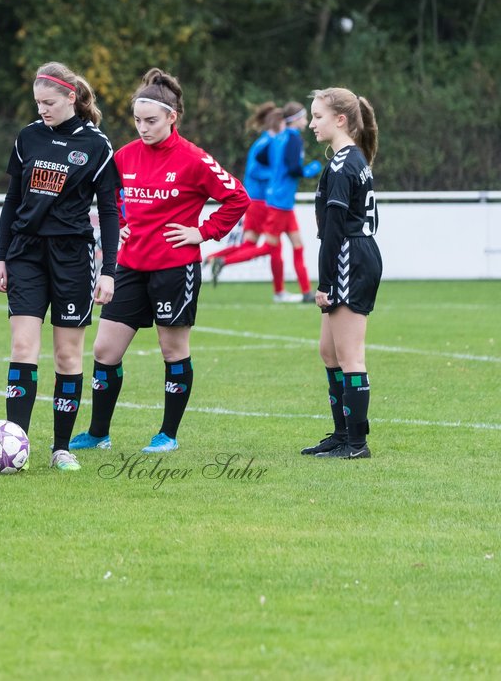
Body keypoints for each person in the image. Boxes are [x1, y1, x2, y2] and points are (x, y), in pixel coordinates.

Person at [70, 68, 248, 453]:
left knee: (172, 350)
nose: (142, 128)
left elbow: (238, 197)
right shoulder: (125, 156)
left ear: (172, 117)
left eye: (151, 121)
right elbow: (111, 198)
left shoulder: (194, 159)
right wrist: (118, 225)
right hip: (129, 267)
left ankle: (167, 434)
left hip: (174, 268)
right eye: (137, 120)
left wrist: (203, 231)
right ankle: (99, 433)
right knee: (105, 351)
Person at [0, 62, 118, 472]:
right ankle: (15, 443)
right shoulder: (28, 137)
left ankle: (61, 447)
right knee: (23, 347)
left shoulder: (97, 145)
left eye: (48, 102)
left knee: (67, 355)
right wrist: (0, 255)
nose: (42, 109)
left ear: (71, 98)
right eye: (37, 103)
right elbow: (12, 201)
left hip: (72, 258)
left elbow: (111, 213)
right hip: (25, 254)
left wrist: (110, 270)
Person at [302, 87, 381, 459]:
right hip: (352, 253)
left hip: (350, 256)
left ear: (341, 120)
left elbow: (334, 230)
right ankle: (341, 433)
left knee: (350, 355)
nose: (311, 123)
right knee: (329, 352)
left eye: (317, 117)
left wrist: (325, 283)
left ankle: (356, 444)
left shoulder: (343, 164)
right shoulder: (350, 159)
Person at [205, 102, 279, 285]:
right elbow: (254, 171)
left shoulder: (264, 141)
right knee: (273, 246)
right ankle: (281, 292)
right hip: (260, 200)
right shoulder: (266, 142)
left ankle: (213, 258)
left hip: (256, 199)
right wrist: (277, 175)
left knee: (250, 245)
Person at [257, 101, 321, 302]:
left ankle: (306, 292)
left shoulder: (279, 137)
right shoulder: (293, 138)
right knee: (269, 247)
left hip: (280, 201)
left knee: (297, 244)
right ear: (295, 120)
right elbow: (294, 168)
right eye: (304, 117)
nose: (307, 121)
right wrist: (308, 171)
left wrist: (277, 172)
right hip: (280, 202)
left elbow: (261, 156)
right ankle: (222, 259)